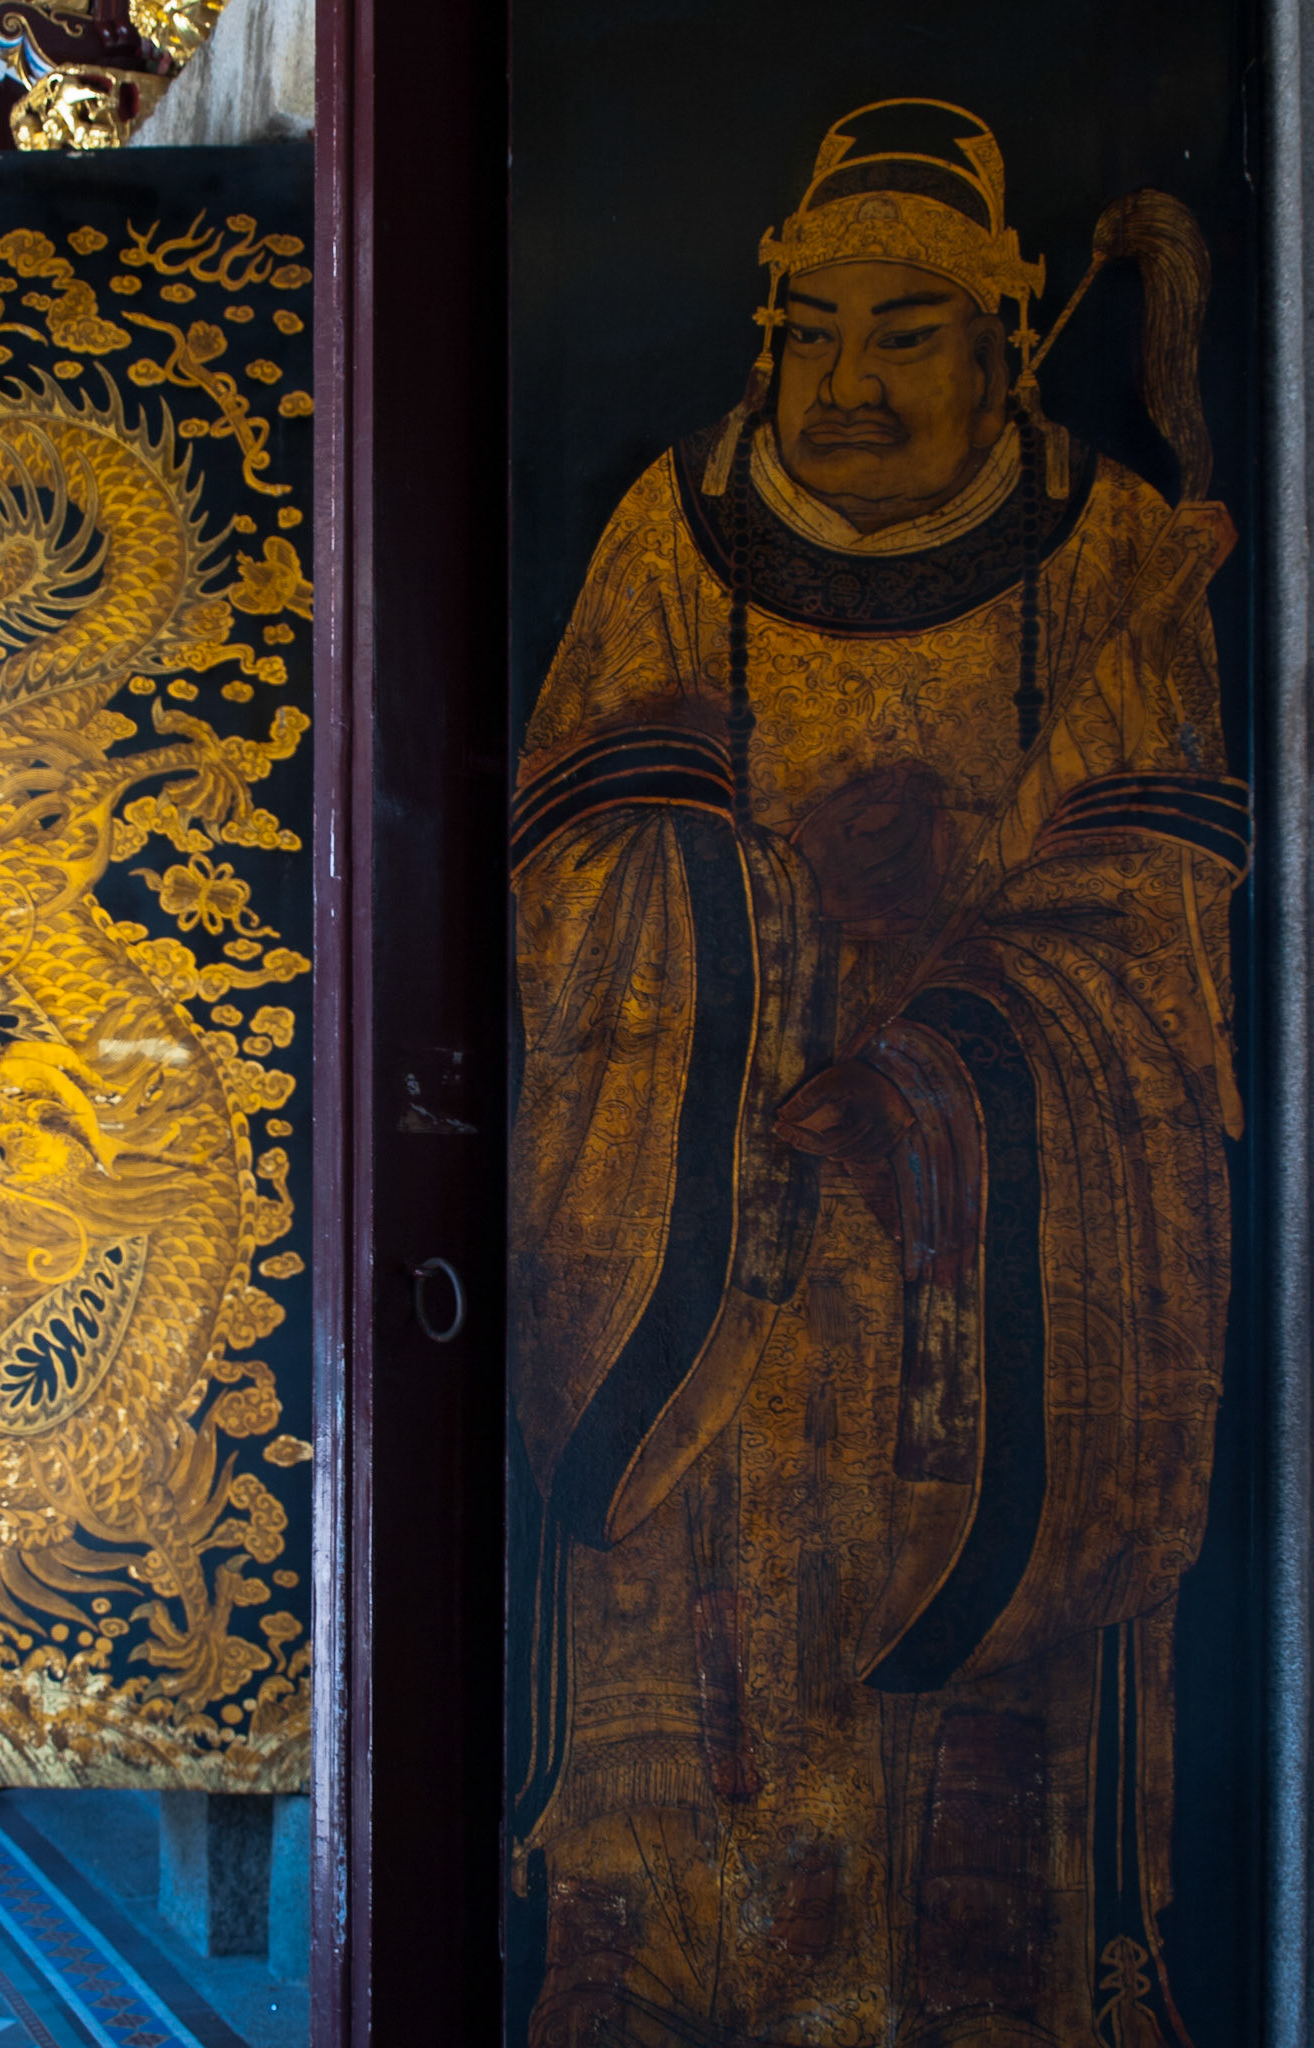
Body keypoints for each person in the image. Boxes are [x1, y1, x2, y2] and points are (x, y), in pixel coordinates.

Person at [509, 99, 1244, 2048]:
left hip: (989, 1252)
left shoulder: (1111, 552)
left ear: (1007, 336)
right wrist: (741, 908)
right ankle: (659, 1963)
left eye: (908, 333)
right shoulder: (678, 528)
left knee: (982, 1820)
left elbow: (1160, 920)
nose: (847, 381)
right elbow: (571, 847)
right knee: (690, 1708)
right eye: (812, 331)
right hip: (714, 1243)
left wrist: (948, 1054)